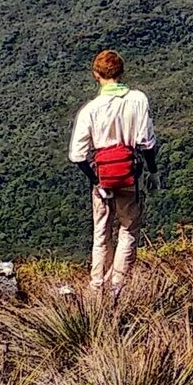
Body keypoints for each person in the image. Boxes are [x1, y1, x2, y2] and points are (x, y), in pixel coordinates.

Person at [69, 49, 158, 297]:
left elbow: (77, 155)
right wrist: (152, 171)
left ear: (95, 75)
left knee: (101, 233)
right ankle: (117, 286)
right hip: (130, 176)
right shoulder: (138, 100)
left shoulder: (90, 110)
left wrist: (96, 180)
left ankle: (97, 287)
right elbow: (146, 142)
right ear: (121, 72)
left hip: (103, 178)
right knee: (128, 229)